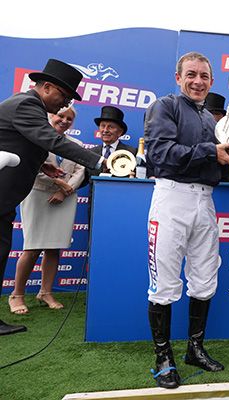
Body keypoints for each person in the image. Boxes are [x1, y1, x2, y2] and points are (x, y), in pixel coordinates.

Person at [144, 52, 229, 389]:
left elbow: (218, 165)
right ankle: (163, 356)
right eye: (192, 75)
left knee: (204, 278)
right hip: (171, 198)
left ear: (212, 81)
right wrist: (212, 152)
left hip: (205, 201)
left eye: (204, 76)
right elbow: (159, 153)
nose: (198, 81)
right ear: (178, 76)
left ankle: (195, 349)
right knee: (165, 282)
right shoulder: (164, 106)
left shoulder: (213, 121)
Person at [0, 58, 104, 336]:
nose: (64, 104)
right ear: (47, 87)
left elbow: (17, 142)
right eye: (64, 96)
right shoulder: (26, 105)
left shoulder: (24, 104)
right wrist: (101, 161)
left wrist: (41, 164)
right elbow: (53, 141)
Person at [9, 106, 84, 314]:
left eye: (69, 119)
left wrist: (66, 191)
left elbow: (80, 170)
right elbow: (32, 168)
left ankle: (45, 292)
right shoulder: (37, 140)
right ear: (52, 116)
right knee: (32, 248)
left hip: (65, 198)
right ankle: (17, 295)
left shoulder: (75, 145)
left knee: (54, 247)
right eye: (61, 116)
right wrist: (61, 184)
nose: (64, 121)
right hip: (37, 195)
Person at [82, 106, 136, 184]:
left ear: (120, 132)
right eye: (103, 126)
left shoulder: (131, 153)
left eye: (110, 127)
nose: (105, 130)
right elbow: (83, 179)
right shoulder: (91, 152)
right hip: (95, 195)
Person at [205, 92, 229, 183]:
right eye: (208, 113)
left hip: (224, 183)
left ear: (222, 117)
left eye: (216, 113)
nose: (212, 117)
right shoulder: (192, 133)